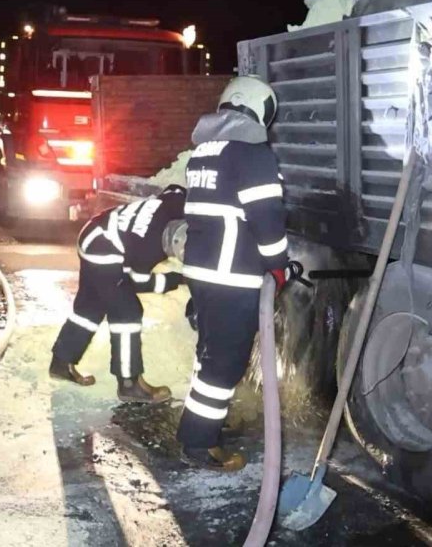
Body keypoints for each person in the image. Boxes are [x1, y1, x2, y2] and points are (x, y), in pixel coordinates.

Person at [177, 75, 293, 471]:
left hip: (202, 270)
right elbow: (268, 220)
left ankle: (199, 423)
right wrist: (279, 267)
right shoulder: (252, 154)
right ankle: (199, 443)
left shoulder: (204, 150)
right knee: (225, 362)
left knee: (209, 354)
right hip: (233, 276)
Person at [50, 186, 186, 402]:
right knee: (127, 310)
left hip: (94, 232)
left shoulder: (174, 205)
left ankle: (61, 362)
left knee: (90, 306)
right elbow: (139, 281)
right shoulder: (150, 246)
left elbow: (174, 190)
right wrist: (177, 279)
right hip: (103, 248)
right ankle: (129, 384)